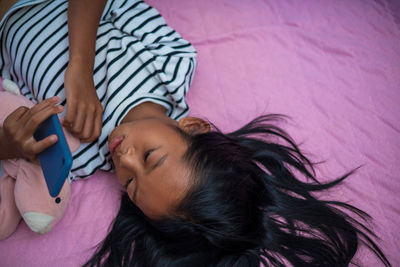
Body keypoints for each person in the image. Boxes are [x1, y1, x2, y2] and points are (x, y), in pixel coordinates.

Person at [0, 1, 391, 266]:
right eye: (151, 156)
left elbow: (11, 101)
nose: (124, 159)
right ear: (192, 127)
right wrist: (80, 68)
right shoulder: (167, 64)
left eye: (131, 186)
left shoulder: (78, 159)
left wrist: (8, 144)